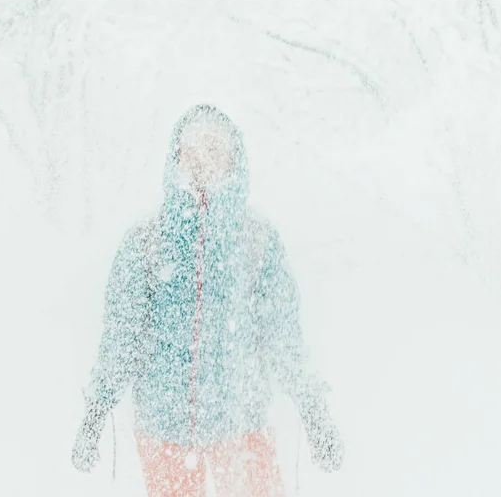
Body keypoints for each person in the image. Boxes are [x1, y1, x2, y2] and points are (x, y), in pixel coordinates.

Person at [72, 105, 344, 496]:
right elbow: (122, 336)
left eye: (215, 150)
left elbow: (283, 334)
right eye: (193, 151)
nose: (203, 161)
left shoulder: (255, 241)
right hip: (165, 431)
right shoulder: (147, 242)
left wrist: (313, 408)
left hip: (240, 424)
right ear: (176, 158)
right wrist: (96, 411)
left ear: (235, 159)